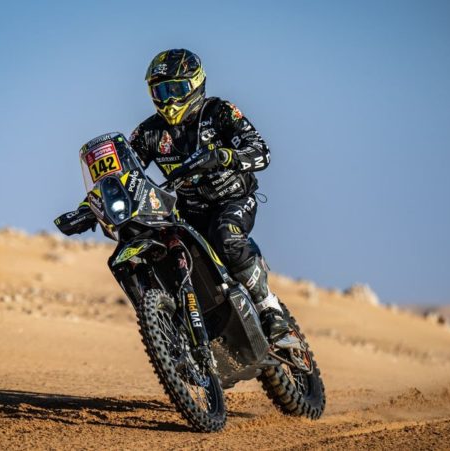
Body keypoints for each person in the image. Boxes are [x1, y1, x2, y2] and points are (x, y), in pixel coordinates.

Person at [56, 49, 289, 341]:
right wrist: (88, 207)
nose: (168, 100)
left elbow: (261, 151)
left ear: (196, 84)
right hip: (186, 209)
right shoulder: (147, 133)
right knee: (153, 243)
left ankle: (269, 308)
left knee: (225, 238)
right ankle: (176, 325)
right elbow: (119, 177)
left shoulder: (220, 112)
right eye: (161, 91)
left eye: (175, 90)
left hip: (232, 199)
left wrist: (224, 155)